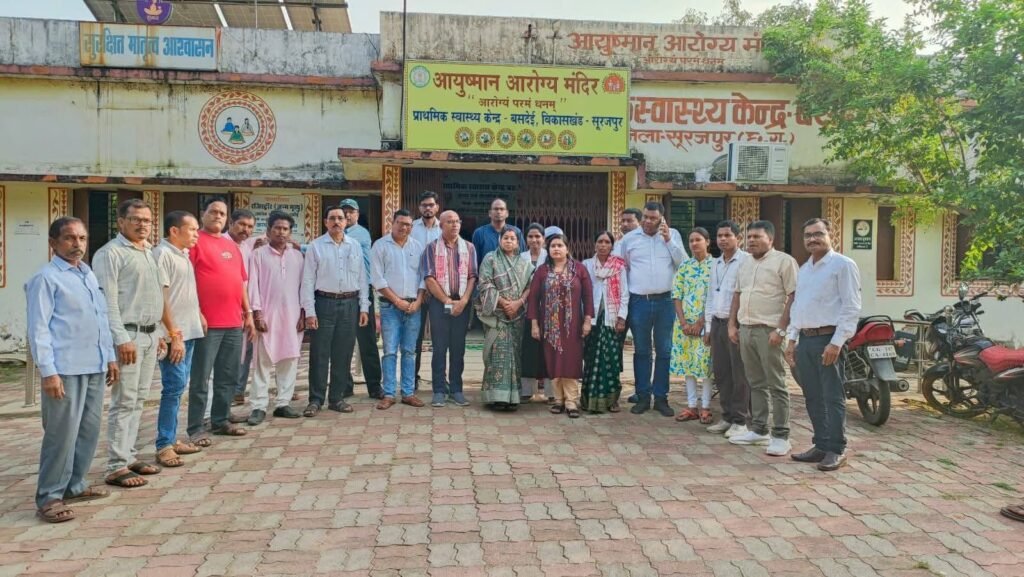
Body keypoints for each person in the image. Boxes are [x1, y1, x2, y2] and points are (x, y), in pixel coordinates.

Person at [26, 217, 119, 523]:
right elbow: (38, 329)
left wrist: (110, 357)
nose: (77, 244)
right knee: (61, 435)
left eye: (81, 238)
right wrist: (48, 372)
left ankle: (75, 485)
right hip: (64, 369)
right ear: (53, 243)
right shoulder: (46, 278)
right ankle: (49, 497)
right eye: (69, 238)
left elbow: (100, 318)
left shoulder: (87, 274)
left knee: (88, 431)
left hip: (94, 365)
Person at [92, 199, 171, 488]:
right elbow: (108, 302)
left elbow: (155, 296)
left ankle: (129, 455)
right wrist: (121, 339)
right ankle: (116, 465)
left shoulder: (149, 252)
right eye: (136, 219)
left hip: (150, 335)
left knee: (138, 400)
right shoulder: (110, 253)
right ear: (121, 222)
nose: (142, 224)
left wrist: (160, 332)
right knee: (124, 401)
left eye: (147, 220)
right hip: (128, 336)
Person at [786, 218, 862, 471]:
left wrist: (837, 343)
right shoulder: (805, 269)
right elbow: (798, 307)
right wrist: (792, 340)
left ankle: (836, 449)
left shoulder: (843, 265)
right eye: (808, 235)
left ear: (831, 235)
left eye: (818, 234)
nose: (812, 239)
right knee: (813, 396)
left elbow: (851, 306)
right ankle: (820, 444)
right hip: (806, 340)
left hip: (829, 340)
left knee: (832, 397)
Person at [728, 220, 799, 457]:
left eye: (757, 237)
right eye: (749, 237)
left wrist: (781, 330)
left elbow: (794, 296)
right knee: (755, 382)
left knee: (776, 384)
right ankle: (759, 430)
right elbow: (737, 294)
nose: (751, 241)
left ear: (771, 239)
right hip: (746, 329)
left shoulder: (784, 262)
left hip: (770, 332)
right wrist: (732, 324)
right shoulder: (744, 263)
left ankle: (781, 435)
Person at [187, 198, 254, 444]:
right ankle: (195, 427)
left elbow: (240, 283)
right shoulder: (195, 243)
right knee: (201, 378)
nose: (218, 216)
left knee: (228, 375)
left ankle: (221, 420)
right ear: (202, 214)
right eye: (213, 212)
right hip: (207, 324)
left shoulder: (232, 247)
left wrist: (248, 314)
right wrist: (196, 311)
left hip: (234, 322)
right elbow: (186, 282)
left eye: (222, 213)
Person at [618, 202, 686, 417]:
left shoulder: (673, 235)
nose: (648, 221)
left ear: (662, 219)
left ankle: (661, 397)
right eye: (645, 217)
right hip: (639, 302)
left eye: (653, 218)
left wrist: (669, 241)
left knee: (664, 350)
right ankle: (643, 396)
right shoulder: (629, 239)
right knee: (642, 351)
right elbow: (623, 269)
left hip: (666, 301)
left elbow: (683, 264)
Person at [151, 211, 205, 469]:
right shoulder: (162, 254)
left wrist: (199, 314)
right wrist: (173, 334)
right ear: (174, 230)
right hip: (175, 336)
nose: (196, 234)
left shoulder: (182, 255)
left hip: (188, 331)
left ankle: (172, 438)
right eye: (192, 229)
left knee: (179, 387)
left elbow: (183, 293)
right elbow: (161, 298)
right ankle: (164, 445)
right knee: (172, 388)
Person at [246, 211, 306, 425]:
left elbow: (303, 287)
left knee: (289, 359)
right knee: (262, 363)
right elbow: (252, 285)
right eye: (277, 228)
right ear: (269, 230)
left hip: (292, 316)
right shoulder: (258, 255)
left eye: (285, 229)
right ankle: (258, 406)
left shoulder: (297, 256)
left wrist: (303, 313)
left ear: (290, 232)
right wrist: (257, 313)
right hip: (267, 316)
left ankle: (283, 403)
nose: (281, 232)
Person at [528, 233, 594, 418]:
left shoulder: (579, 269)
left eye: (560, 245)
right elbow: (533, 299)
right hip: (550, 327)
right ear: (548, 250)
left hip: (572, 326)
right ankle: (558, 400)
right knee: (553, 360)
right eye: (553, 246)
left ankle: (571, 401)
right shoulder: (542, 271)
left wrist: (587, 320)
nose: (556, 249)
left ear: (567, 248)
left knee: (571, 361)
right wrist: (534, 324)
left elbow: (588, 296)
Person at [371, 210, 427, 409]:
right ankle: (388, 394)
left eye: (408, 225)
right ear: (392, 222)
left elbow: (424, 277)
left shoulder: (418, 246)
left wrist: (418, 301)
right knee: (390, 351)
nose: (404, 227)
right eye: (401, 223)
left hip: (414, 306)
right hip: (389, 307)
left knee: (410, 351)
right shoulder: (380, 246)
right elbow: (377, 279)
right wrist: (396, 301)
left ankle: (408, 393)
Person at [422, 210, 478, 408]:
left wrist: (464, 301)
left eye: (457, 221)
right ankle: (439, 390)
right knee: (439, 347)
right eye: (450, 222)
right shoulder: (431, 248)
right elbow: (429, 278)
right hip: (440, 303)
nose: (455, 225)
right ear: (441, 225)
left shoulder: (469, 248)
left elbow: (472, 276)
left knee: (458, 347)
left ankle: (456, 389)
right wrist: (447, 300)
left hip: (462, 302)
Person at [703, 221, 751, 438]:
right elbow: (710, 296)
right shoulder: (716, 263)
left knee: (739, 373)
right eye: (719, 235)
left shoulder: (746, 261)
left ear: (738, 238)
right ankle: (727, 416)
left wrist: (736, 324)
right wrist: (708, 327)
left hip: (737, 325)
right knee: (722, 373)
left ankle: (741, 420)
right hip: (717, 323)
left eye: (727, 235)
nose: (722, 239)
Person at [476, 226, 532, 411]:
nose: (509, 241)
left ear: (517, 242)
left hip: (517, 315)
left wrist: (518, 303)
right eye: (505, 238)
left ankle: (513, 397)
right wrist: (503, 303)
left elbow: (530, 286)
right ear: (499, 240)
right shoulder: (490, 259)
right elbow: (484, 284)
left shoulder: (524, 263)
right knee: (497, 353)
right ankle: (495, 397)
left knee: (514, 355)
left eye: (512, 238)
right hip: (496, 316)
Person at [340, 199, 384, 400]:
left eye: (351, 212)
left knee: (367, 342)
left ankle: (374, 386)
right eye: (344, 212)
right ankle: (345, 386)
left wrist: (301, 247)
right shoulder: (333, 235)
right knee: (342, 343)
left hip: (362, 293)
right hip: (343, 294)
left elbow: (340, 245)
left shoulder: (360, 233)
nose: (347, 215)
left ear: (357, 214)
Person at [581, 231, 629, 413]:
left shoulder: (619, 266)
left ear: (612, 245)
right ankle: (589, 400)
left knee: (611, 359)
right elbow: (583, 293)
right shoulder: (586, 265)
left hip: (612, 319)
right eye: (600, 241)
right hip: (591, 319)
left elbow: (624, 293)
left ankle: (612, 400)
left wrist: (621, 318)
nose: (603, 245)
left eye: (607, 242)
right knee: (591, 358)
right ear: (594, 244)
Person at [671, 228, 714, 424]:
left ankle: (706, 407)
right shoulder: (685, 266)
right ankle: (691, 406)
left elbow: (716, 297)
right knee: (688, 364)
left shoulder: (715, 266)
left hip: (707, 324)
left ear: (707, 242)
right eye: (691, 240)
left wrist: (700, 322)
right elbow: (676, 295)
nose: (694, 243)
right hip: (684, 326)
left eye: (698, 240)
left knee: (706, 366)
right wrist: (683, 322)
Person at [412, 191, 442, 390]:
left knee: (440, 338)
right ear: (419, 208)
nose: (428, 208)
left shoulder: (444, 228)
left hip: (439, 291)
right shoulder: (411, 228)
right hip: (416, 291)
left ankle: (439, 380)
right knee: (415, 337)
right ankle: (412, 379)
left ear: (437, 207)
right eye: (424, 205)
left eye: (431, 205)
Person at [228, 209, 257, 407]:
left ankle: (238, 391)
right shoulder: (222, 243)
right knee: (230, 354)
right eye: (242, 224)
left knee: (246, 351)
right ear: (231, 223)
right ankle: (225, 395)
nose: (245, 229)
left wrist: (250, 312)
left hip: (246, 308)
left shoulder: (247, 246)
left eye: (249, 226)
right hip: (227, 309)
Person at [520, 223, 552, 402]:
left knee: (549, 350)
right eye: (530, 236)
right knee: (528, 350)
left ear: (543, 239)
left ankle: (551, 392)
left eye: (537, 236)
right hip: (525, 310)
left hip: (549, 310)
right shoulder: (520, 257)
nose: (534, 240)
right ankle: (527, 390)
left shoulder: (551, 256)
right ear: (526, 239)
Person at [472, 198, 525, 266]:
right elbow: (475, 262)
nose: (499, 212)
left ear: (507, 213)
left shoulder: (516, 232)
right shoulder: (479, 233)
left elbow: (523, 257)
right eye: (496, 209)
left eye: (502, 209)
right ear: (490, 213)